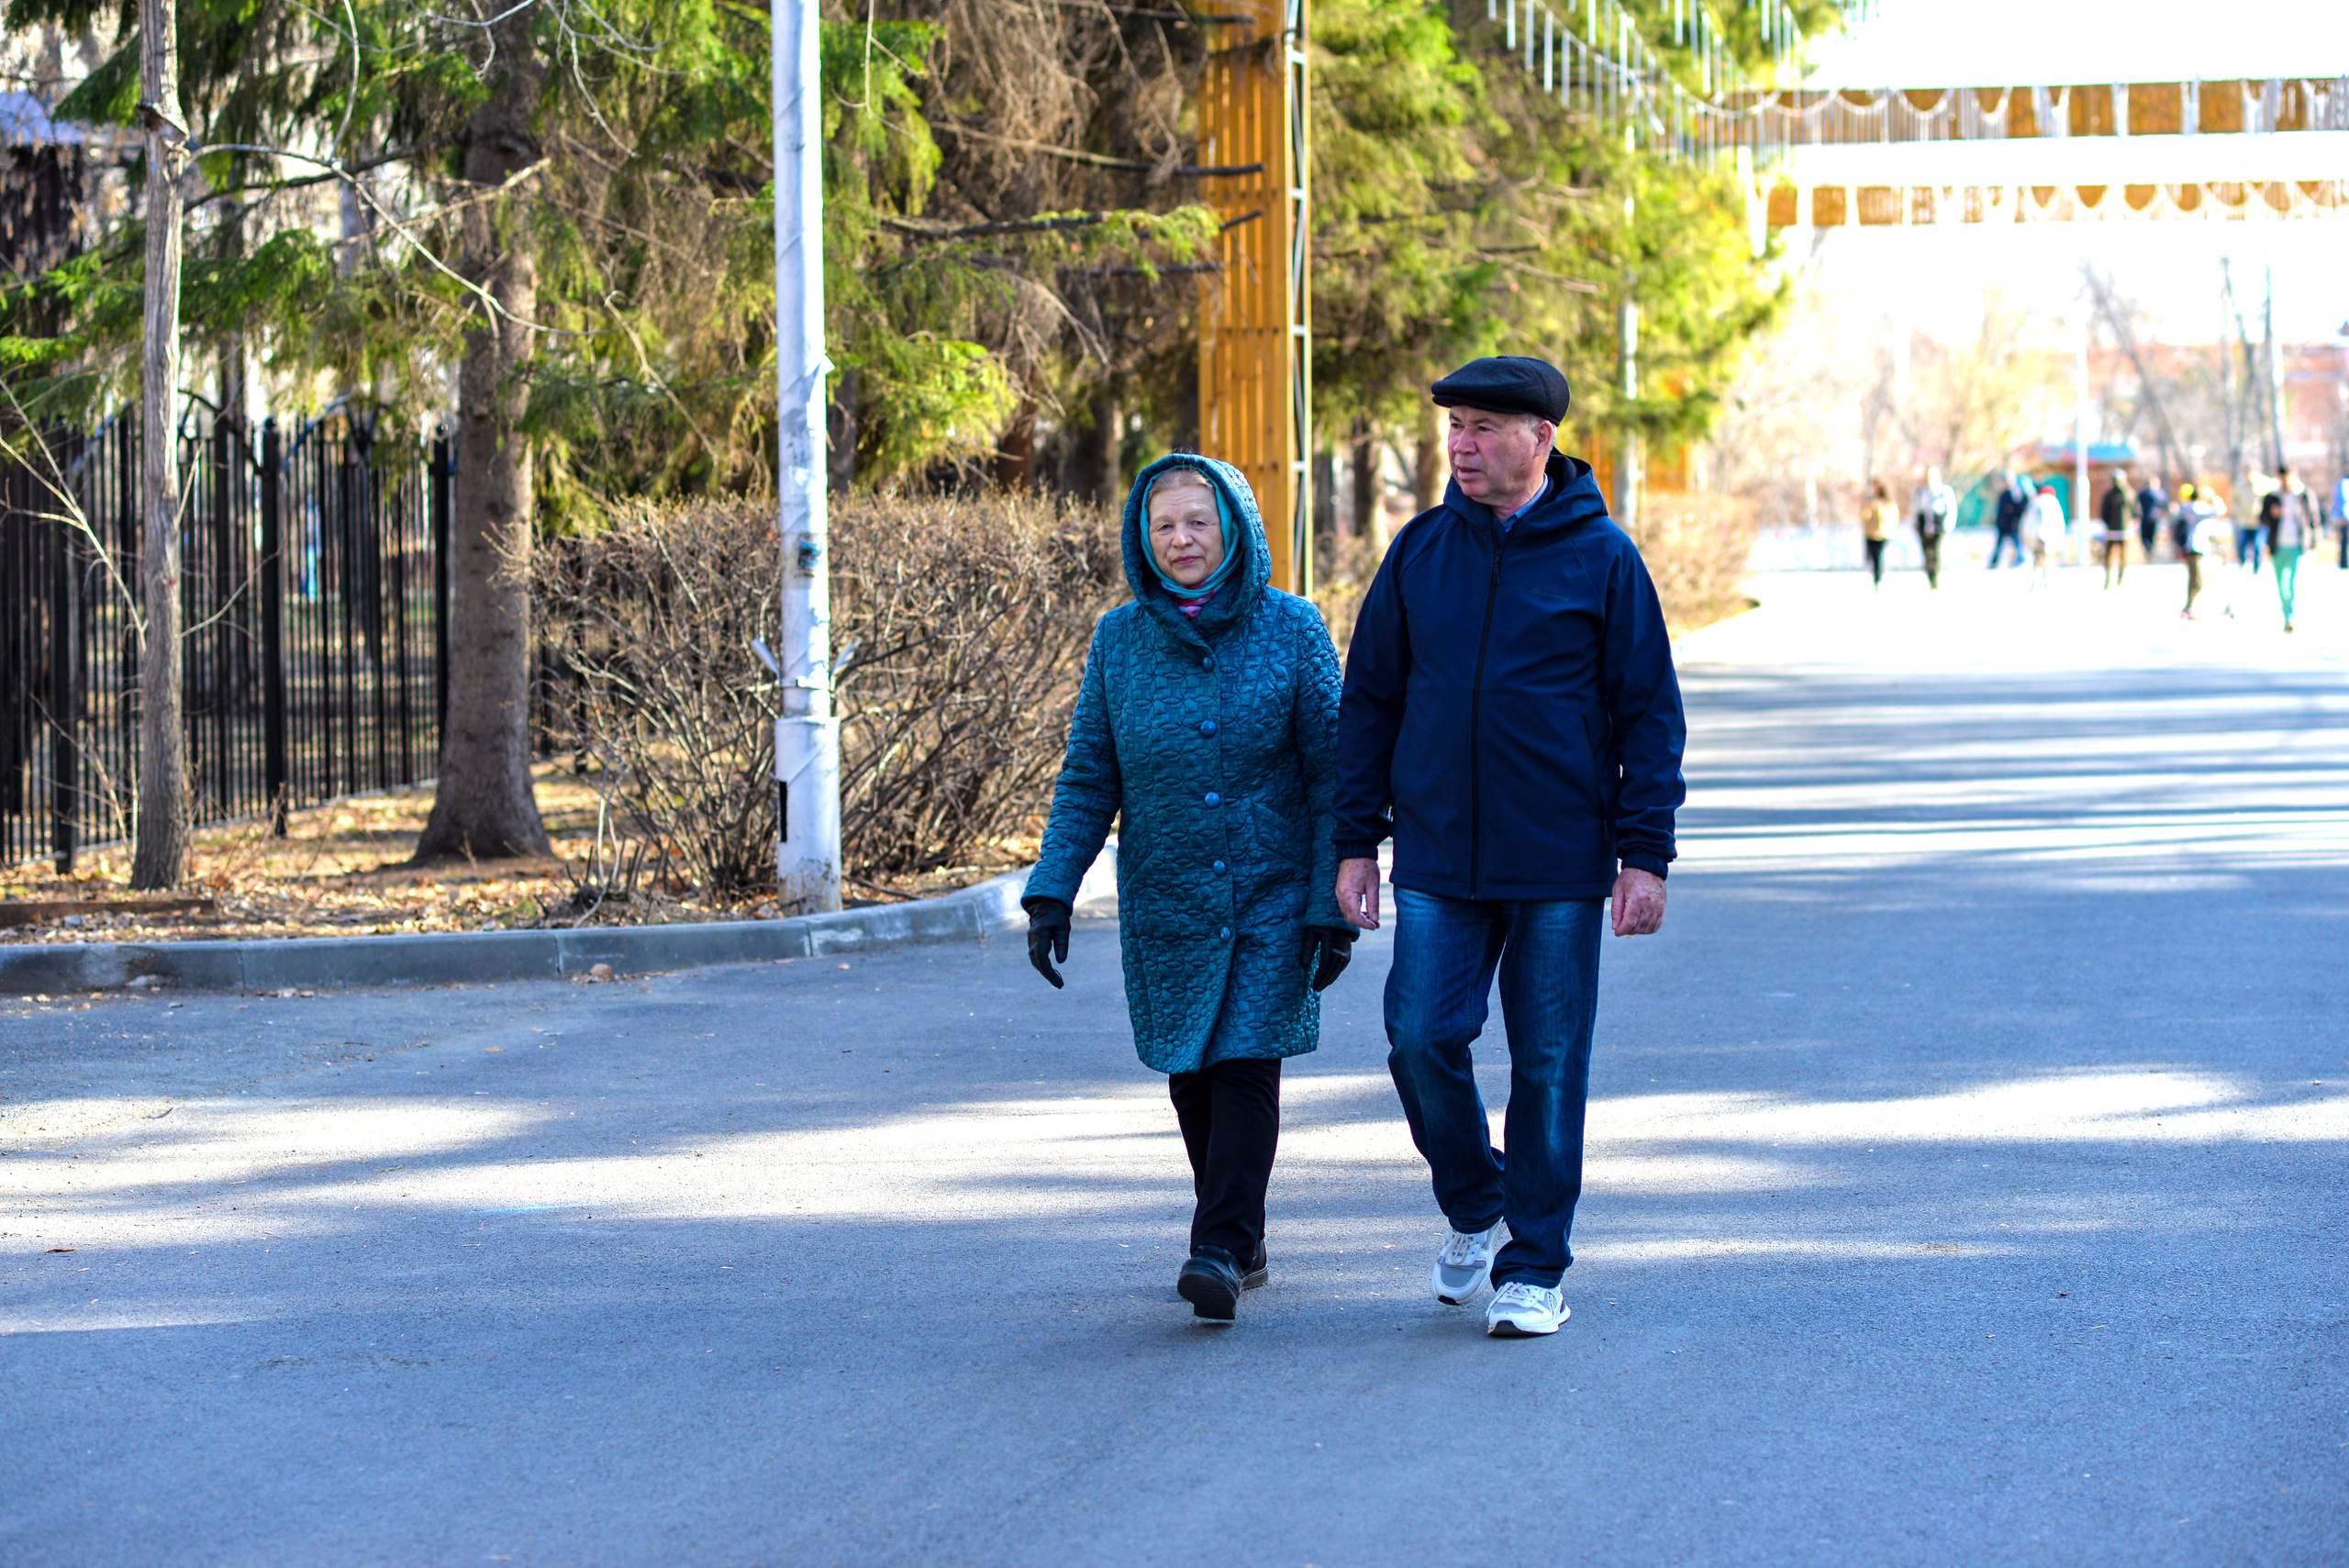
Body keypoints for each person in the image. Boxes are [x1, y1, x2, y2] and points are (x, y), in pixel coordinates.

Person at [1332, 355, 1686, 1340]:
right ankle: (1476, 1198)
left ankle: (1535, 1264)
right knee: (1418, 1036)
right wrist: (1354, 840)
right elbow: (1370, 702)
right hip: (1440, 854)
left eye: (1485, 426)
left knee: (1548, 1061)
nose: (1462, 443)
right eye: (1453, 426)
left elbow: (1648, 713)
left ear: (1541, 437)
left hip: (1559, 862)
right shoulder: (1419, 553)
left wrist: (1643, 852)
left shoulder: (1603, 557)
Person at [1021, 454, 1355, 1323]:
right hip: (1167, 898)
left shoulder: (1292, 629)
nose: (1181, 540)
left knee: (1245, 1061)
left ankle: (1214, 1244)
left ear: (1235, 527)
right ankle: (1242, 1235)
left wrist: (1332, 900)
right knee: (1189, 1075)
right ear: (1143, 534)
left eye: (1198, 523)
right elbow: (1090, 775)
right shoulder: (1119, 641)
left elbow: (1335, 778)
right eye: (1164, 525)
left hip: (1271, 893)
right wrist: (1053, 888)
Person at [2264, 466, 2316, 633]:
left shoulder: (2303, 494)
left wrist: (2313, 542)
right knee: (2281, 583)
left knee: (2293, 580)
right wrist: (2273, 514)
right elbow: (2262, 518)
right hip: (2278, 545)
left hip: (2297, 543)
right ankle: (2286, 613)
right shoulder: (2272, 496)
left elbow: (2313, 518)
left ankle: (2290, 615)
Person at [1910, 467, 1954, 589]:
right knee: (1927, 553)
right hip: (1924, 525)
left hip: (1939, 525)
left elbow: (1951, 509)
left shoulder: (1944, 491)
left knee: (1936, 552)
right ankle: (1931, 577)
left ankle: (1936, 579)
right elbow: (1915, 508)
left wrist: (1947, 525)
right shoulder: (1921, 492)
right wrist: (1915, 524)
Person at [2174, 482, 2209, 619]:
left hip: (2187, 546)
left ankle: (2189, 607)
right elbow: (2218, 510)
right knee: (2198, 580)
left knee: (2193, 579)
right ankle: (2189, 607)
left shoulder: (2183, 509)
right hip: (2194, 547)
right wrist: (2212, 498)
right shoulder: (2196, 509)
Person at [1988, 471, 2032, 569]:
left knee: (2016, 543)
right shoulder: (2003, 494)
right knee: (2000, 545)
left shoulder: (2014, 493)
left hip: (2011, 524)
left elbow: (2017, 508)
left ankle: (2021, 558)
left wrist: (2014, 519)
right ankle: (1994, 562)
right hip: (2002, 524)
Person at [2029, 482, 2066, 590]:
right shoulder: (2053, 503)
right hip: (2048, 536)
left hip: (2036, 536)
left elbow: (2028, 522)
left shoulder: (2036, 502)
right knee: (2047, 559)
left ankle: (2035, 582)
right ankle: (2046, 582)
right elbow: (2058, 521)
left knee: (2037, 559)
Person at [1859, 478, 1893, 588]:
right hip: (1870, 533)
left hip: (1883, 533)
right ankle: (1877, 577)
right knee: (1871, 558)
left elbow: (1891, 516)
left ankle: (1879, 579)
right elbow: (1864, 517)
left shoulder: (1887, 501)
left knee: (1879, 557)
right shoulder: (1869, 502)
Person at [2136, 474, 2168, 562]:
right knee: (2147, 536)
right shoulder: (2145, 493)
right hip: (2149, 517)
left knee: (2150, 536)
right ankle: (2150, 552)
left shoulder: (2159, 493)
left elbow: (2165, 506)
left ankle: (2151, 552)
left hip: (2153, 518)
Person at [2332, 473, 2349, 570]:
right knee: (2344, 540)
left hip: (2344, 516)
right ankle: (2343, 562)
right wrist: (2343, 515)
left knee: (2344, 541)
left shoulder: (2341, 483)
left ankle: (2344, 562)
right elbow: (2343, 501)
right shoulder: (2344, 483)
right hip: (2345, 517)